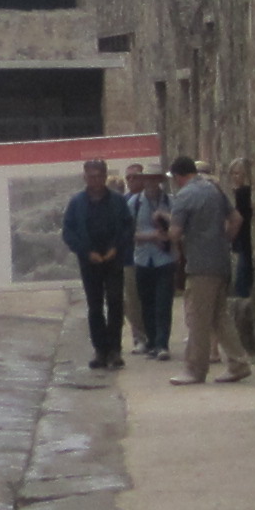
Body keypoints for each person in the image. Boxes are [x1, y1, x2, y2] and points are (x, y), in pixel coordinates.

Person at [166, 155, 248, 383]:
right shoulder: (214, 190)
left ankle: (195, 368)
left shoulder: (184, 196)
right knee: (220, 316)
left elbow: (175, 233)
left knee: (198, 317)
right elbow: (236, 219)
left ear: (178, 176)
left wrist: (166, 231)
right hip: (220, 261)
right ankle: (238, 362)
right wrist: (224, 240)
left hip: (200, 264)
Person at [63, 158, 133, 369]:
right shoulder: (77, 203)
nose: (95, 180)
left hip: (113, 259)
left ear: (105, 176)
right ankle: (100, 350)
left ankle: (114, 349)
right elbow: (68, 232)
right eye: (91, 176)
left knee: (115, 302)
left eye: (99, 176)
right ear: (85, 177)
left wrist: (116, 248)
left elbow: (127, 227)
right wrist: (86, 252)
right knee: (95, 306)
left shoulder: (117, 201)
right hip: (89, 261)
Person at [130, 166, 179, 360]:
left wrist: (167, 232)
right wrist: (151, 236)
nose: (151, 183)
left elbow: (180, 226)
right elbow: (127, 233)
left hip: (165, 259)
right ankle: (152, 342)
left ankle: (162, 344)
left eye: (154, 179)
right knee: (147, 303)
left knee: (163, 303)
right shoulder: (134, 203)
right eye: (147, 179)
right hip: (143, 259)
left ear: (159, 181)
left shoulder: (171, 202)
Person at [226, 159, 255, 367]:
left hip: (245, 246)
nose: (235, 177)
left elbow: (238, 220)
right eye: (233, 174)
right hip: (245, 246)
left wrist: (229, 237)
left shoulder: (242, 194)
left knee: (241, 292)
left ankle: (245, 345)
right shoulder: (241, 193)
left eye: (238, 173)